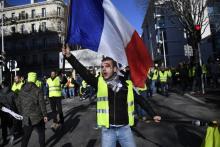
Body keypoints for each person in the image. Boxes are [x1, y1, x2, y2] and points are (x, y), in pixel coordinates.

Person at [62, 45, 161, 147]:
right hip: (108, 130)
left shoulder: (127, 84)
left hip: (125, 129)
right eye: (102, 67)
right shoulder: (99, 82)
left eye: (107, 66)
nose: (104, 69)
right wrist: (69, 56)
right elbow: (83, 72)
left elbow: (140, 100)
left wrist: (153, 114)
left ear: (114, 69)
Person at [16, 72, 48, 147]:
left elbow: (18, 103)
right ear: (35, 79)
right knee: (41, 134)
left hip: (27, 118)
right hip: (38, 117)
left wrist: (22, 112)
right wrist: (45, 115)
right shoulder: (38, 90)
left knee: (26, 137)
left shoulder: (22, 90)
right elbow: (42, 104)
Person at [0, 81, 18, 146]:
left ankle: (4, 139)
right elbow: (17, 103)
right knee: (11, 125)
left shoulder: (0, 93)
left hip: (3, 112)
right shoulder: (13, 93)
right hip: (11, 112)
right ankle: (12, 135)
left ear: (3, 85)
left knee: (4, 126)